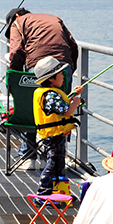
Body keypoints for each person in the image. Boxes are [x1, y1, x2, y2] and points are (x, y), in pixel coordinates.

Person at [6, 8, 79, 169]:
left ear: (16, 16)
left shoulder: (18, 22)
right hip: (63, 66)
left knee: (33, 108)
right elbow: (73, 46)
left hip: (38, 66)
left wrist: (15, 76)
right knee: (60, 111)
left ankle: (28, 156)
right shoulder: (55, 18)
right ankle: (54, 155)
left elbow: (16, 50)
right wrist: (69, 70)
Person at [30, 57, 82, 196]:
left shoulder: (49, 93)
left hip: (54, 135)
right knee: (53, 164)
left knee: (59, 163)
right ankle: (43, 192)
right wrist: (76, 103)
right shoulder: (51, 95)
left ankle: (59, 192)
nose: (63, 77)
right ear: (51, 78)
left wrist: (72, 96)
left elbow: (59, 106)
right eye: (60, 74)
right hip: (54, 136)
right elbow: (66, 112)